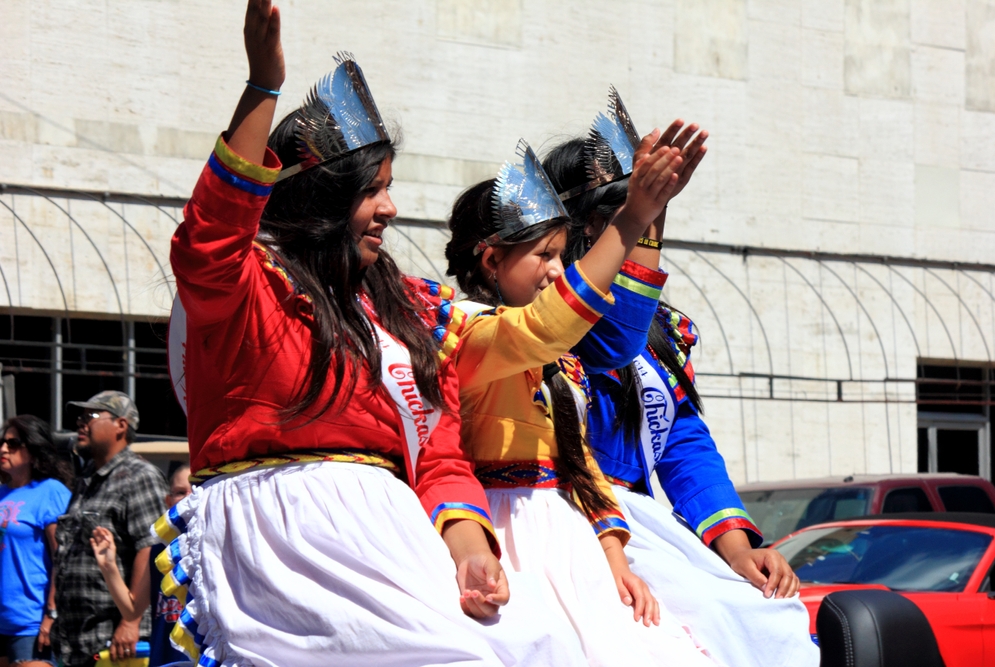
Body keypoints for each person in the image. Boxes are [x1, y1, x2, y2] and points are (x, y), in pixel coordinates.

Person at [153, 2, 585, 665]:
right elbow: (207, 238)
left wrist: (470, 550)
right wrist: (262, 89)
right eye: (371, 191)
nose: (390, 207)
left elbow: (438, 455)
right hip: (281, 551)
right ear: (319, 200)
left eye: (389, 187)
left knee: (542, 642)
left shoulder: (397, 313)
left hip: (390, 543)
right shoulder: (245, 288)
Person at [543, 88, 820, 667]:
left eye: (646, 207)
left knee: (769, 614)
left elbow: (684, 444)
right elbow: (613, 334)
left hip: (647, 523)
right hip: (583, 518)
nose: (640, 226)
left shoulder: (663, 331)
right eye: (619, 211)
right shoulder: (548, 317)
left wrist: (738, 548)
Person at [442, 136, 717, 665]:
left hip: (569, 535)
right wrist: (634, 217)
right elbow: (542, 328)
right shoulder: (464, 334)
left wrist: (614, 555)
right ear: (491, 259)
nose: (554, 269)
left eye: (559, 255)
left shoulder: (564, 361)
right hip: (499, 532)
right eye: (544, 255)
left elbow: (579, 460)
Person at [52, 391, 167, 667]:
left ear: (121, 425)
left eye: (90, 415)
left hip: (113, 643)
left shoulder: (139, 476)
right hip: (75, 640)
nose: (81, 423)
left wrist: (131, 622)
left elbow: (150, 548)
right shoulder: (87, 479)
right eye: (80, 417)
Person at [91, 464, 190, 667]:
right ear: (168, 501)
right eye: (180, 492)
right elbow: (132, 611)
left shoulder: (219, 549)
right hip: (163, 660)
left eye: (196, 489)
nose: (188, 497)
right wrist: (108, 565)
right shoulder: (158, 552)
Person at [0, 415, 72, 667]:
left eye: (13, 443)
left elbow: (62, 558)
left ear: (33, 450)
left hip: (31, 622)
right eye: (2, 442)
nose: (3, 449)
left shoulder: (51, 491)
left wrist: (52, 615)